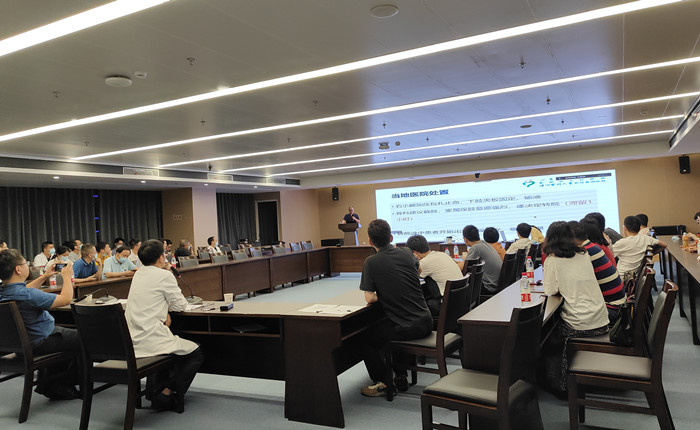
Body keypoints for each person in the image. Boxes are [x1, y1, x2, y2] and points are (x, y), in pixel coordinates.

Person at [125, 239, 204, 412]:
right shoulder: (164, 275)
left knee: (173, 343)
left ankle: (154, 392)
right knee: (195, 353)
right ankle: (166, 393)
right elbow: (180, 305)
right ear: (161, 258)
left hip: (132, 340)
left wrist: (165, 309)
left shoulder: (138, 274)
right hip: (151, 339)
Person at [359, 220, 432, 397]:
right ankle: (400, 375)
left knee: (366, 337)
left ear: (370, 242)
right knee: (392, 324)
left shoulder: (371, 262)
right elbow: (419, 271)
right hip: (426, 321)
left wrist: (385, 293)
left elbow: (369, 298)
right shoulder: (407, 252)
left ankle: (384, 382)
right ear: (391, 237)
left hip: (406, 328)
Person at [0, 249, 80, 399]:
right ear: (18, 269)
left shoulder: (6, 292)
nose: (27, 266)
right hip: (39, 341)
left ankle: (50, 383)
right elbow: (66, 299)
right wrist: (67, 277)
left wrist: (45, 276)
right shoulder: (27, 295)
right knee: (84, 337)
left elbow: (24, 290)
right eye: (25, 263)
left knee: (65, 333)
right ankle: (61, 384)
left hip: (19, 344)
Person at [541, 221, 609, 394]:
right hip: (602, 319)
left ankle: (560, 384)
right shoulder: (584, 254)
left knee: (545, 334)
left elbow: (550, 290)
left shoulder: (552, 260)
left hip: (579, 326)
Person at [570, 221, 626, 322]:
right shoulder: (592, 246)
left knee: (564, 317)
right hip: (618, 303)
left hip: (611, 308)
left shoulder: (585, 252)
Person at [406, 234, 462, 317]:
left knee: (419, 303)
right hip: (460, 300)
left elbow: (409, 275)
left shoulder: (425, 262)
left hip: (448, 304)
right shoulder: (441, 254)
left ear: (415, 253)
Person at [612, 215, 667, 284]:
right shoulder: (646, 238)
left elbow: (608, 255)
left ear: (624, 228)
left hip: (622, 279)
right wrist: (652, 253)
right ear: (640, 228)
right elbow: (664, 245)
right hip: (633, 276)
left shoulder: (622, 243)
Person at [461, 225, 502, 294]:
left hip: (488, 287)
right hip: (496, 284)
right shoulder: (485, 244)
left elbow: (464, 266)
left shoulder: (475, 248)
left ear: (465, 239)